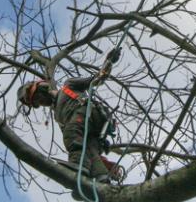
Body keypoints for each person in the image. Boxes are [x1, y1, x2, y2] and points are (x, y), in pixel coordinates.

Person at [17, 52, 123, 184]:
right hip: (88, 130)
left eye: (38, 98)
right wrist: (105, 163)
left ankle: (78, 166)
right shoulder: (57, 115)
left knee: (71, 134)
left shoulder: (68, 86)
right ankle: (101, 177)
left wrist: (109, 62)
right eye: (37, 104)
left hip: (91, 114)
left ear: (42, 89)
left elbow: (96, 79)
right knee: (89, 150)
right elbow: (78, 144)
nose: (41, 103)